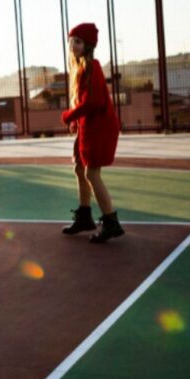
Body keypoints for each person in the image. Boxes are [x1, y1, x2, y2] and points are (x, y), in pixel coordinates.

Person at [60, 22, 124, 243]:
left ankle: (111, 222)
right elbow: (85, 101)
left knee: (91, 174)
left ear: (87, 45)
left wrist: (70, 115)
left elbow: (94, 102)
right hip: (88, 125)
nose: (73, 45)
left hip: (100, 127)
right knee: (78, 168)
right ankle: (85, 216)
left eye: (78, 41)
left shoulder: (92, 66)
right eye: (71, 41)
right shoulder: (78, 67)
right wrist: (77, 121)